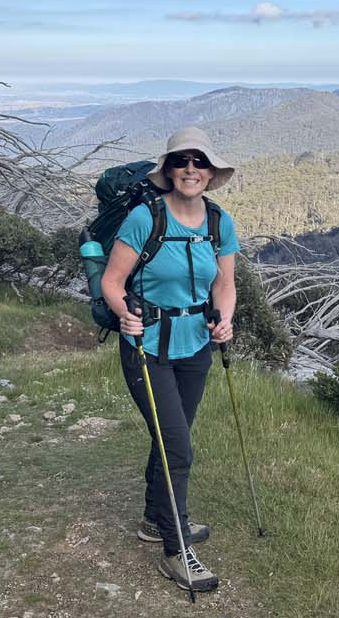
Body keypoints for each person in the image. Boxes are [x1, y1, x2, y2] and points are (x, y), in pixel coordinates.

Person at [100, 127, 238, 592]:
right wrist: (124, 313)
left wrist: (225, 319)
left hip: (196, 346)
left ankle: (154, 518)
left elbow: (224, 283)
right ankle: (177, 550)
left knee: (171, 437)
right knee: (177, 446)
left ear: (211, 172)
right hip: (147, 348)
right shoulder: (145, 219)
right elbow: (113, 282)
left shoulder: (219, 222)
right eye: (181, 160)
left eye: (200, 162)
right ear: (169, 169)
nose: (191, 169)